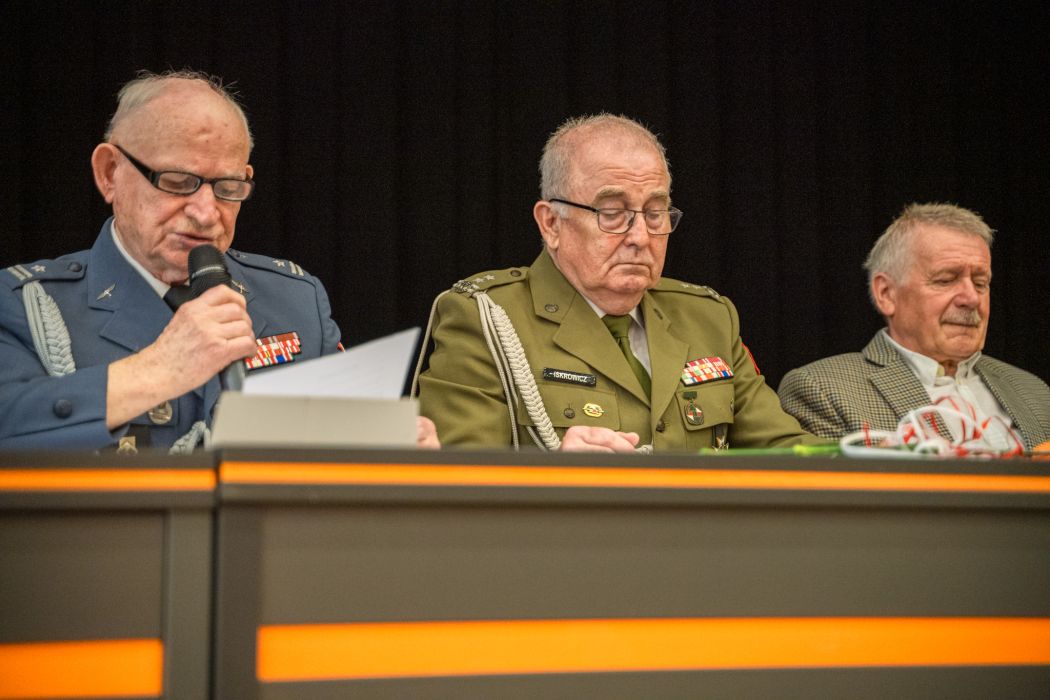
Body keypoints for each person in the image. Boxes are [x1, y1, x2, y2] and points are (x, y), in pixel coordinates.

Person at [0, 70, 438, 452]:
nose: (207, 213)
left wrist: (394, 455)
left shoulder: (294, 300)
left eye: (228, 188)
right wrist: (157, 370)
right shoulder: (25, 305)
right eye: (178, 182)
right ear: (109, 173)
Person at [414, 114, 818, 452]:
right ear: (551, 223)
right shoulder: (486, 318)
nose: (640, 236)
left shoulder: (708, 318)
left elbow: (788, 454)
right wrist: (555, 479)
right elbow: (457, 484)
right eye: (612, 213)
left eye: (655, 213)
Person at [778, 203, 1050, 450]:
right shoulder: (825, 389)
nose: (971, 299)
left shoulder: (1033, 389)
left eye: (980, 283)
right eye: (945, 280)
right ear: (886, 294)